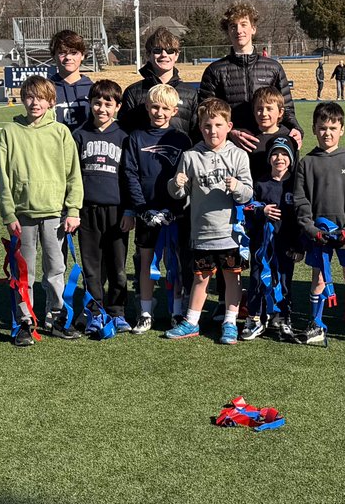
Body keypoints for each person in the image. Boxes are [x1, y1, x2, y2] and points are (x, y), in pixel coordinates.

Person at [0, 74, 83, 345]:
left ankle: (56, 316)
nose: (35, 103)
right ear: (23, 99)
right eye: (30, 97)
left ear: (51, 102)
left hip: (55, 214)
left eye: (41, 98)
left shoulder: (61, 133)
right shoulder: (11, 132)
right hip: (22, 216)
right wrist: (8, 213)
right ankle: (25, 321)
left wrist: (73, 209)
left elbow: (73, 175)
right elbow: (4, 177)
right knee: (25, 272)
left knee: (55, 268)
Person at [164, 97, 254, 345]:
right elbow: (178, 193)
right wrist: (176, 184)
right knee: (201, 277)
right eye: (206, 126)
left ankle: (230, 322)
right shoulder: (191, 156)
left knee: (232, 277)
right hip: (202, 232)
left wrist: (237, 186)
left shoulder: (238, 156)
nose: (212, 131)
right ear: (200, 127)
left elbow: (248, 193)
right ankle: (191, 321)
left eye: (217, 125)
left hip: (230, 233)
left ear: (229, 126)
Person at [293, 101, 345, 347]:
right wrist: (311, 230)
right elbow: (300, 200)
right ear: (314, 129)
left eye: (332, 127)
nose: (327, 132)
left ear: (342, 129)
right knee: (318, 279)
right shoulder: (306, 163)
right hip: (319, 235)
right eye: (322, 127)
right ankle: (316, 325)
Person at [120, 83, 191, 332]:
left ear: (174, 111)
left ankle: (177, 311)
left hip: (175, 214)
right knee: (146, 262)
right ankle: (146, 311)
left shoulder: (181, 139)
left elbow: (186, 177)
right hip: (146, 213)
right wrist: (141, 209)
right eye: (154, 107)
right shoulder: (136, 137)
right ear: (147, 108)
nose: (158, 112)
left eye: (164, 108)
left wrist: (175, 207)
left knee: (175, 264)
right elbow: (130, 174)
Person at [199, 2, 302, 152]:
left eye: (243, 24)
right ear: (228, 31)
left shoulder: (273, 68)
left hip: (267, 148)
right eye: (233, 26)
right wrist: (230, 133)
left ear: (253, 28)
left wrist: (296, 129)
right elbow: (204, 114)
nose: (238, 30)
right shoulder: (214, 70)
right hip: (230, 150)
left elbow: (286, 109)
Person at [74, 79, 130, 332]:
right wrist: (73, 208)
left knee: (117, 266)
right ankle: (94, 310)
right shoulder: (79, 135)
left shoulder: (124, 137)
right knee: (91, 265)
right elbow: (72, 176)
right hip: (88, 211)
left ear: (117, 106)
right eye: (97, 103)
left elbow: (130, 177)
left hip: (117, 212)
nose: (102, 109)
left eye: (108, 104)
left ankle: (117, 311)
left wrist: (130, 209)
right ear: (91, 104)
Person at [242, 135, 301, 342]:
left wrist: (298, 245)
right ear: (269, 158)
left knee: (284, 280)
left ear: (291, 159)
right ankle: (255, 318)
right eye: (275, 154)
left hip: (286, 243)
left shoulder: (295, 184)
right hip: (262, 245)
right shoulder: (260, 182)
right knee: (258, 279)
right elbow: (248, 208)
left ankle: (282, 317)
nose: (279, 158)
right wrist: (262, 210)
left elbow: (301, 215)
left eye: (285, 154)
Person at [117, 26, 198, 139]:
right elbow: (124, 133)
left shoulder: (191, 93)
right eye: (157, 50)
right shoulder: (133, 92)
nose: (164, 54)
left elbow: (197, 134)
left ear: (176, 55)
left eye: (170, 51)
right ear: (148, 55)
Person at [49, 29, 93, 134]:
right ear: (54, 56)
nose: (68, 57)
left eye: (74, 53)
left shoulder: (93, 88)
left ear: (82, 55)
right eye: (62, 53)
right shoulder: (45, 88)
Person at [247, 85, 287, 182]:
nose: (264, 113)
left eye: (269, 109)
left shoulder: (288, 137)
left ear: (280, 112)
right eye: (259, 109)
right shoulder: (248, 138)